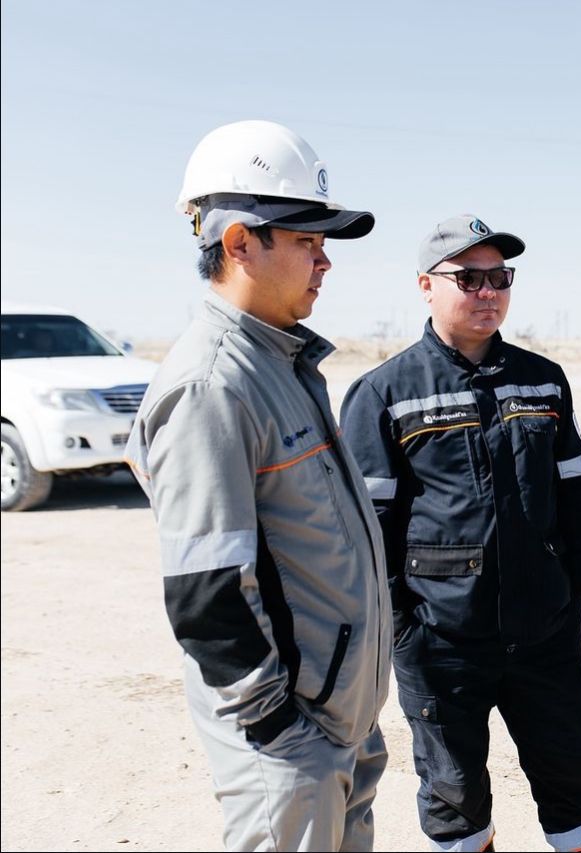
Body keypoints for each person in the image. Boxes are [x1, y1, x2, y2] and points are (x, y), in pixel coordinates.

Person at [124, 120, 392, 851]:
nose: (325, 260)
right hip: (292, 747)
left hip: (338, 727)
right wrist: (281, 732)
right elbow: (206, 592)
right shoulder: (212, 385)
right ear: (240, 242)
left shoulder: (279, 362)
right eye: (307, 239)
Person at [340, 215, 581, 853]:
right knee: (454, 797)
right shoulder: (383, 393)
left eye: (500, 278)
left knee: (575, 785)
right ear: (425, 287)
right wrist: (405, 629)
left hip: (544, 637)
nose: (488, 292)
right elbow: (365, 533)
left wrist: (566, 592)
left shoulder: (543, 380)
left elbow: (578, 497)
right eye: (468, 279)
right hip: (441, 644)